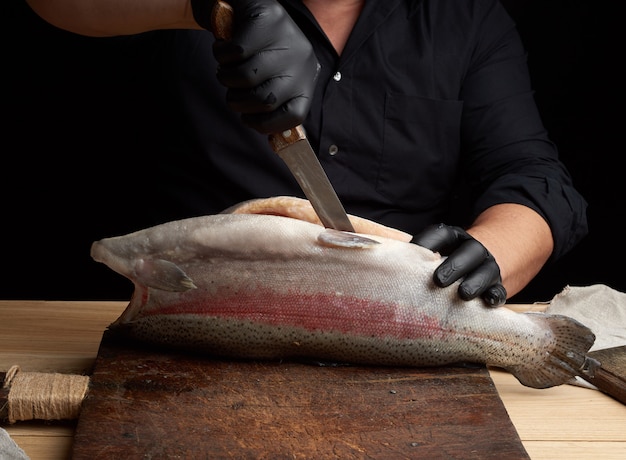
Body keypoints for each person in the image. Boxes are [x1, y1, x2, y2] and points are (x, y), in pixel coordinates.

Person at [10, 0, 587, 305]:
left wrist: (490, 254)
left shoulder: (466, 18)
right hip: (185, 307)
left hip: (395, 325)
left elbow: (534, 178)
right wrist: (200, 1)